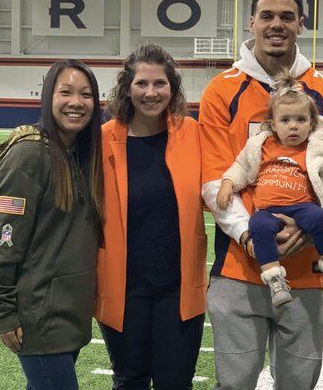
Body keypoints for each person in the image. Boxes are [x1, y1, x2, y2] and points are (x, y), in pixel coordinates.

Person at [199, 0, 323, 389]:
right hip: (238, 268)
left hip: (307, 273)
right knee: (233, 384)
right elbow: (216, 179)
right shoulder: (220, 90)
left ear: (302, 24)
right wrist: (251, 236)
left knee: (298, 384)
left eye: (287, 16)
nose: (276, 24)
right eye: (266, 15)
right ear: (251, 23)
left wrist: (303, 233)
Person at [0, 59, 104, 389]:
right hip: (39, 316)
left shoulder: (79, 152)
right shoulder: (30, 154)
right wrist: (2, 309)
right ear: (48, 96)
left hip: (68, 314)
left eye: (86, 94)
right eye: (66, 92)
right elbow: (2, 236)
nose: (76, 102)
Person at [94, 43, 207, 389]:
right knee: (130, 380)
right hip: (124, 288)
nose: (150, 92)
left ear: (172, 88)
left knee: (176, 382)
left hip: (179, 286)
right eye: (142, 83)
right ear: (127, 87)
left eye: (160, 83)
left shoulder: (192, 133)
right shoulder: (103, 138)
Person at [216, 73, 323, 307]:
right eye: (286, 120)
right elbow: (241, 166)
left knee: (320, 218)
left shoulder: (317, 148)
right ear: (273, 124)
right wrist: (227, 184)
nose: (293, 126)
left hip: (303, 206)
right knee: (258, 225)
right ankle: (275, 279)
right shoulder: (261, 145)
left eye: (301, 119)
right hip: (268, 209)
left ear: (312, 123)